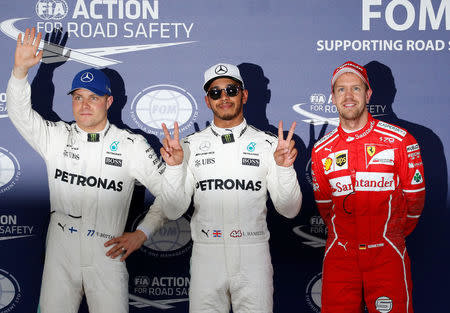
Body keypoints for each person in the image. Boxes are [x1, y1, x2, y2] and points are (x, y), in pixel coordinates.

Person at [7, 27, 167, 313]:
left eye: (93, 97)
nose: (84, 105)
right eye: (78, 97)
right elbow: (20, 114)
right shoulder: (56, 137)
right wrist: (20, 72)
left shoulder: (131, 145)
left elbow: (171, 197)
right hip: (60, 254)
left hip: (107, 253)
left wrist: (142, 233)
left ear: (109, 101)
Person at [158, 62, 302, 312]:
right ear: (207, 101)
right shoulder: (189, 146)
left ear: (244, 95)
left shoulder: (269, 144)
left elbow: (289, 210)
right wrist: (173, 167)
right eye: (215, 92)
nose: (223, 97)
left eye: (231, 90)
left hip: (253, 255)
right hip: (207, 256)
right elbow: (172, 211)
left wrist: (285, 168)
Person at [311, 61, 425, 313]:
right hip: (340, 255)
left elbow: (415, 201)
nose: (348, 96)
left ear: (368, 93)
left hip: (386, 253)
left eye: (356, 89)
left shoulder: (400, 140)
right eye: (341, 90)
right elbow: (325, 206)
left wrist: (389, 234)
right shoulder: (321, 150)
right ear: (332, 97)